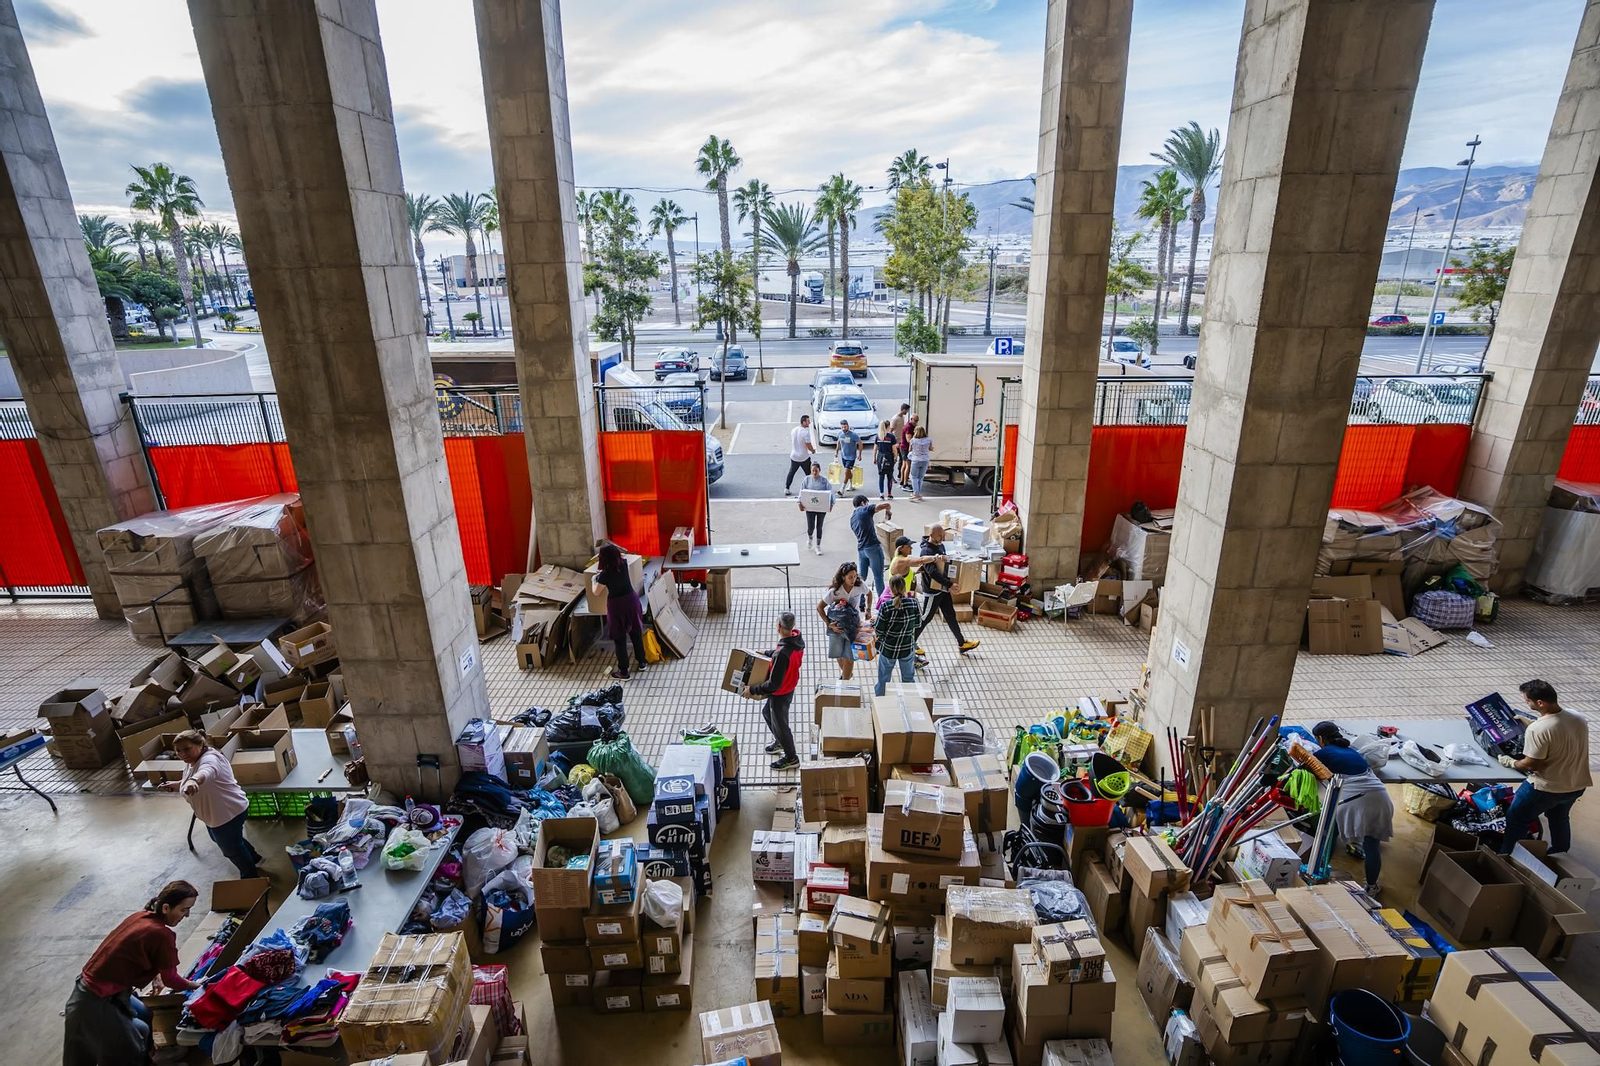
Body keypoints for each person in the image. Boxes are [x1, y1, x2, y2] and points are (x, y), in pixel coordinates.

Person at [63, 881, 201, 1066]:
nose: (187, 915)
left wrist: (156, 975)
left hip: (99, 990)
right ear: (167, 907)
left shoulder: (142, 917)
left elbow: (137, 953)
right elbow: (172, 980)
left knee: (144, 1014)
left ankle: (152, 1057)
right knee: (130, 1046)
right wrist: (196, 984)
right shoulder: (162, 934)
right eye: (184, 910)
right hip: (94, 1001)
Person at [1498, 679, 1591, 855]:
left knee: (1516, 817)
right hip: (1577, 784)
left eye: (1527, 701)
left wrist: (1510, 762)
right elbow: (1561, 734)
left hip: (1547, 787)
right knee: (1559, 817)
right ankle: (1560, 852)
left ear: (1539, 703)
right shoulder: (1578, 717)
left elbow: (1532, 764)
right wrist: (1534, 723)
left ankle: (1507, 855)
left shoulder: (1538, 730)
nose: (1526, 703)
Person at [164, 729, 260, 878]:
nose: (182, 754)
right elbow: (192, 776)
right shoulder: (192, 760)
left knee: (231, 850)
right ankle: (253, 857)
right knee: (226, 839)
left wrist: (193, 781)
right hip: (214, 815)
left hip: (228, 814)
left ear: (200, 744)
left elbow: (206, 771)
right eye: (178, 751)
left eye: (187, 749)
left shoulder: (211, 759)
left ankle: (250, 877)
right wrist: (179, 784)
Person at [1311, 722, 1393, 895]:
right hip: (1381, 798)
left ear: (1319, 738)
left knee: (1329, 834)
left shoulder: (1323, 753)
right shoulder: (1352, 751)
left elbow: (1300, 772)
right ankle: (1372, 886)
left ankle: (1319, 875)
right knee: (1372, 845)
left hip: (1354, 801)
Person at [743, 612, 805, 770]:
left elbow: (773, 684)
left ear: (779, 627)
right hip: (789, 685)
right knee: (767, 713)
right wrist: (769, 653)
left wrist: (753, 690)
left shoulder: (782, 653)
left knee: (781, 725)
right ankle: (780, 742)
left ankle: (791, 757)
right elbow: (783, 655)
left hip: (781, 692)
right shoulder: (796, 640)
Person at [917, 524, 980, 655]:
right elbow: (933, 572)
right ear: (931, 535)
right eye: (940, 535)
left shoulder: (941, 545)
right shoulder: (926, 551)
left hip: (943, 589)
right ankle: (910, 643)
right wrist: (949, 584)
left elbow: (944, 566)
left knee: (950, 615)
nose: (943, 537)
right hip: (933, 592)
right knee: (925, 618)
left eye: (943, 535)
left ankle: (962, 643)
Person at [595, 543, 648, 680]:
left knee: (620, 638)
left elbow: (596, 593)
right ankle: (642, 662)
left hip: (617, 605)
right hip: (632, 600)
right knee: (636, 632)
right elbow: (622, 556)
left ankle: (624, 671)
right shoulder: (623, 564)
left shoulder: (604, 575)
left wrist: (597, 578)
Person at [818, 562, 871, 681]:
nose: (853, 579)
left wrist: (868, 609)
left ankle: (845, 682)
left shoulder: (860, 585)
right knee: (838, 654)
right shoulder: (835, 592)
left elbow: (869, 594)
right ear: (843, 577)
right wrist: (829, 624)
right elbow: (819, 607)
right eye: (850, 577)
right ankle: (847, 675)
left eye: (855, 576)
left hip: (853, 626)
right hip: (837, 628)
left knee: (850, 657)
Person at [874, 580, 921, 696]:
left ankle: (880, 703)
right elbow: (918, 624)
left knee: (883, 680)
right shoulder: (913, 603)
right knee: (908, 678)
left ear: (890, 589)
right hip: (907, 648)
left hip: (888, 649)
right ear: (905, 588)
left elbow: (879, 630)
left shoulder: (886, 606)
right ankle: (909, 701)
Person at [850, 493, 893, 594]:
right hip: (872, 547)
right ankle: (882, 603)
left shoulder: (852, 518)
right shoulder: (865, 509)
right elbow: (886, 504)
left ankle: (859, 602)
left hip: (861, 550)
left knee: (861, 577)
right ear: (863, 503)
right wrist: (888, 512)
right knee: (878, 576)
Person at [799, 461, 833, 556]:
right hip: (810, 507)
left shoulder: (824, 481)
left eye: (816, 471)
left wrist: (831, 504)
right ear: (810, 470)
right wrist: (800, 503)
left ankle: (818, 546)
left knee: (819, 526)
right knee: (811, 526)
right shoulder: (807, 480)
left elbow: (831, 492)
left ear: (820, 470)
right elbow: (801, 491)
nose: (814, 473)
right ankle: (810, 538)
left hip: (821, 507)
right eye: (813, 471)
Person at [784, 414, 816, 495]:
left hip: (794, 456)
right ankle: (811, 488)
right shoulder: (805, 432)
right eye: (808, 421)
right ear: (804, 422)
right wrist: (812, 451)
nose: (809, 423)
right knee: (808, 473)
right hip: (804, 457)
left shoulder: (794, 430)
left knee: (791, 472)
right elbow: (808, 445)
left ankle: (787, 488)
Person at [908, 424, 933, 501]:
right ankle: (918, 493)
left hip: (916, 460)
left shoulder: (913, 440)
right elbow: (931, 448)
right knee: (920, 478)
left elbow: (910, 450)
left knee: (914, 477)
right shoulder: (929, 440)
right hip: (925, 460)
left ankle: (916, 493)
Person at [875, 420, 898, 500]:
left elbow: (875, 448)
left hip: (880, 457)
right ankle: (889, 493)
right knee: (889, 476)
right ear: (888, 427)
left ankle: (881, 494)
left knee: (881, 476)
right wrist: (895, 457)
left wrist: (874, 458)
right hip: (889, 457)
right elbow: (894, 449)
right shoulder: (891, 437)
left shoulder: (878, 436)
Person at [898, 412, 918, 488]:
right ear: (911, 419)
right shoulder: (909, 427)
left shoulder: (908, 425)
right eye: (915, 420)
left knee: (904, 465)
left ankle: (902, 481)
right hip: (906, 448)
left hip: (903, 447)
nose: (916, 422)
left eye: (917, 420)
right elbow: (908, 439)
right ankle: (905, 483)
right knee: (907, 466)